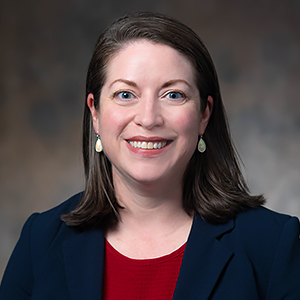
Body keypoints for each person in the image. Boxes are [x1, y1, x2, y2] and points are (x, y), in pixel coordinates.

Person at [1, 12, 299, 300]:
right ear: (95, 112)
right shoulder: (39, 240)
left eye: (173, 95)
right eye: (125, 95)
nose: (148, 118)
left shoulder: (272, 245)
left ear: (204, 114)